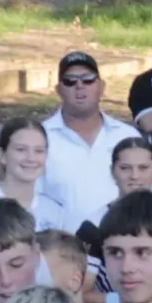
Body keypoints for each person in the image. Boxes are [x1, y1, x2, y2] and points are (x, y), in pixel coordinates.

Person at [34, 52, 134, 230]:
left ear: (102, 87)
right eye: (70, 81)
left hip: (121, 247)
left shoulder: (127, 136)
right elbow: (31, 198)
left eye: (88, 79)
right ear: (58, 90)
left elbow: (147, 194)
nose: (79, 86)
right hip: (60, 250)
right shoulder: (39, 139)